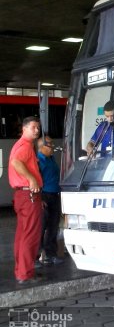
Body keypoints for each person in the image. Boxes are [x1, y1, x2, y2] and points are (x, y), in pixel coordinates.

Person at [9, 116, 43, 284]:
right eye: (33, 127)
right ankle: (25, 274)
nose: (37, 130)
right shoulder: (25, 146)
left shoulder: (19, 145)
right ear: (24, 128)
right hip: (28, 194)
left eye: (38, 127)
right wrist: (32, 179)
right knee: (31, 235)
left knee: (22, 234)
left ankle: (20, 271)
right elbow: (16, 162)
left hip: (21, 195)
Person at [37, 135, 64, 265]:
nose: (53, 146)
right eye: (50, 144)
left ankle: (51, 254)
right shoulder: (38, 160)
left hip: (54, 195)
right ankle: (36, 257)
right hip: (44, 196)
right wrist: (39, 198)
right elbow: (36, 181)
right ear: (42, 146)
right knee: (40, 228)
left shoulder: (51, 158)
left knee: (53, 226)